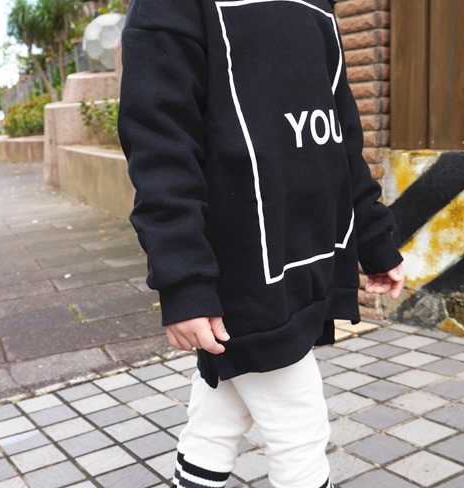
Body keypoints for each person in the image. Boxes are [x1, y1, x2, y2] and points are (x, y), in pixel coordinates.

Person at [118, 1, 404, 488]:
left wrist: (374, 238)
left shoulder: (317, 5)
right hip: (244, 273)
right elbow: (161, 149)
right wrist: (184, 282)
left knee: (220, 417)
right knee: (300, 433)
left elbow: (341, 135)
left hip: (312, 259)